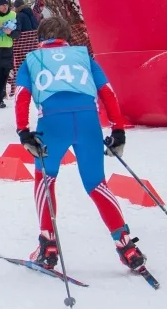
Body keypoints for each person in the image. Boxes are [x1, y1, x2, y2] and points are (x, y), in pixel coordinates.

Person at [14, 16, 144, 273]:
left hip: (52, 124)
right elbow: (107, 91)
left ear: (40, 38)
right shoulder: (84, 57)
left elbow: (22, 96)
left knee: (45, 179)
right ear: (68, 39)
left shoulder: (32, 60)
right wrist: (118, 130)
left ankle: (47, 244)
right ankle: (125, 243)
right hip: (88, 123)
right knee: (97, 184)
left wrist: (23, 131)